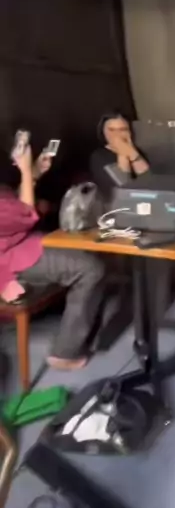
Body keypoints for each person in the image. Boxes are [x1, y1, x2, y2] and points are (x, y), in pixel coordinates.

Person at [0, 143, 105, 371]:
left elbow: (12, 205)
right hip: (10, 260)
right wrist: (25, 170)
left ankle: (82, 334)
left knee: (87, 254)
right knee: (90, 269)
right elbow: (24, 215)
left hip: (22, 244)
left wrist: (34, 172)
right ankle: (65, 353)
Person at [89, 112, 149, 198]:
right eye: (111, 130)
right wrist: (123, 152)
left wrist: (132, 152)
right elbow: (124, 187)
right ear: (103, 132)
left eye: (122, 129)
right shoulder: (99, 156)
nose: (117, 134)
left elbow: (149, 180)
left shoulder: (135, 151)